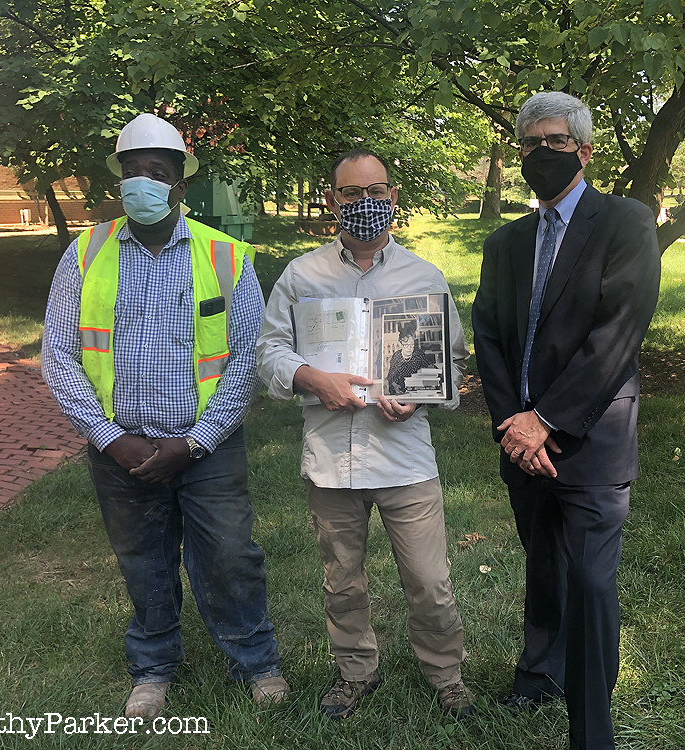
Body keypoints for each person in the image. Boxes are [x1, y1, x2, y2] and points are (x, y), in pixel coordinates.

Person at [42, 113, 286, 720]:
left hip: (207, 448)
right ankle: (153, 667)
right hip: (120, 449)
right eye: (132, 172)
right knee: (143, 559)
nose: (142, 183)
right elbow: (59, 355)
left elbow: (245, 358)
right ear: (118, 182)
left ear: (180, 184)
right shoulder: (85, 254)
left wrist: (197, 441)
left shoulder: (225, 257)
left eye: (157, 172)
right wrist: (108, 438)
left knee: (231, 555)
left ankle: (255, 661)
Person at [256, 148, 475, 720]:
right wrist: (308, 375)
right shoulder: (302, 275)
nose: (365, 204)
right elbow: (268, 349)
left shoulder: (424, 278)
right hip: (330, 455)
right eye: (352, 193)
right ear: (333, 200)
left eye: (376, 192)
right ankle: (355, 671)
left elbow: (452, 362)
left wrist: (423, 393)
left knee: (429, 581)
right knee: (342, 580)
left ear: (393, 198)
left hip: (405, 456)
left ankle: (445, 673)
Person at [472, 92, 661, 749]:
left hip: (590, 438)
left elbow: (617, 333)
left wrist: (545, 420)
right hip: (521, 444)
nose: (539, 154)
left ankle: (593, 730)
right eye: (529, 144)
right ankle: (537, 676)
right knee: (542, 566)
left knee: (588, 580)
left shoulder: (626, 223)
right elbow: (488, 337)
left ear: (584, 151)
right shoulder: (505, 242)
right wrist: (511, 423)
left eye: (554, 142)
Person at [386, 321, 434, 395]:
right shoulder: (396, 356)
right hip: (401, 392)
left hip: (418, 392)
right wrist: (395, 385)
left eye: (411, 345)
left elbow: (429, 367)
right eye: (406, 345)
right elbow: (391, 376)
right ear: (401, 343)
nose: (409, 348)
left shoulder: (418, 354)